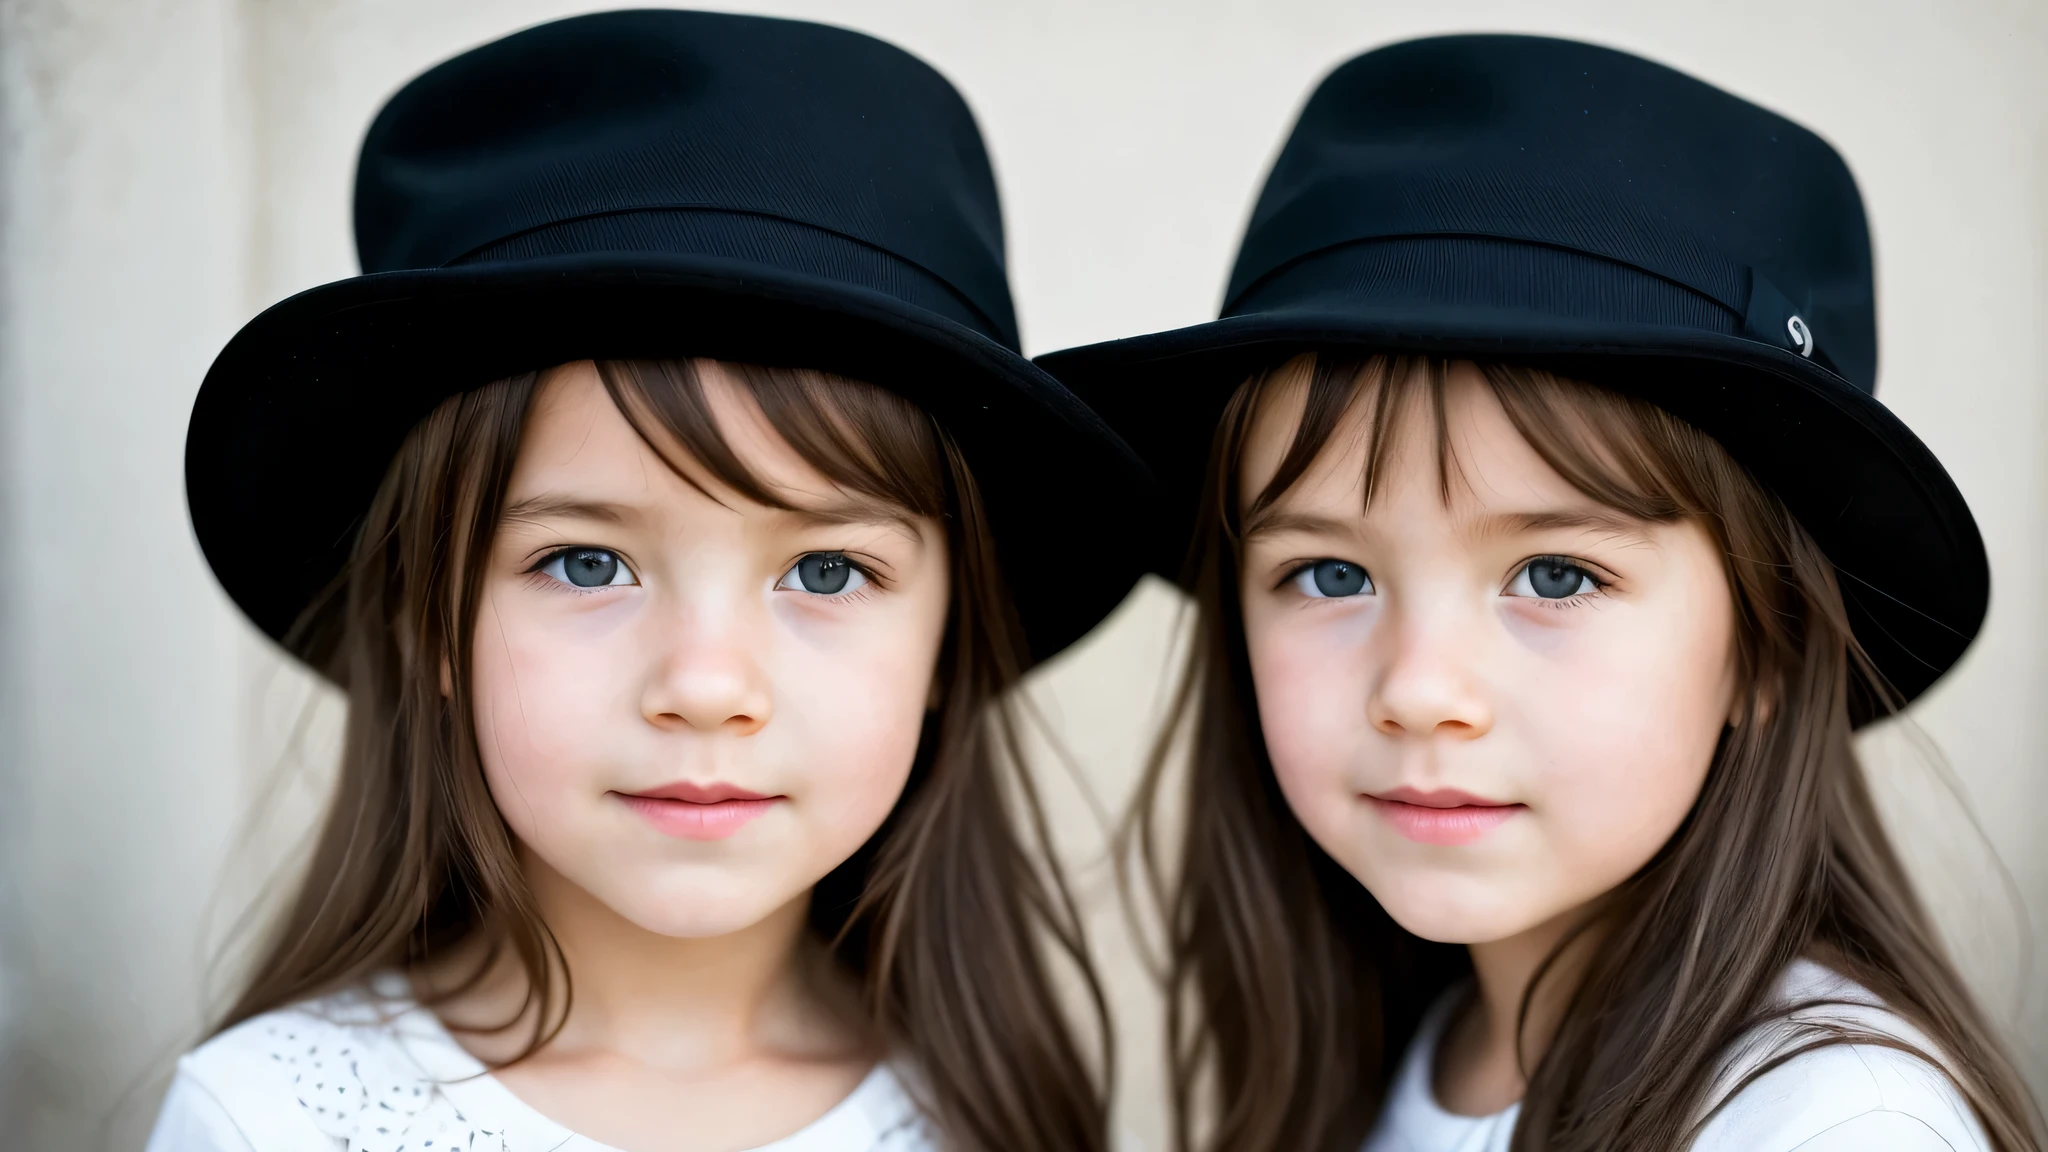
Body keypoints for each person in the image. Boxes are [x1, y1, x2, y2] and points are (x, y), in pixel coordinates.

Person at [148, 11, 1149, 1152]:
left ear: (950, 636)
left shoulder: (998, 1110)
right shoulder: (270, 1118)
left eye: (827, 568)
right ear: (425, 615)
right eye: (587, 562)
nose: (706, 684)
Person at [1040, 34, 2042, 1152]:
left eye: (1554, 576)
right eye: (1330, 574)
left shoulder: (1828, 1120)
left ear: (1768, 642)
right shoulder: (1385, 1058)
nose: (1419, 693)